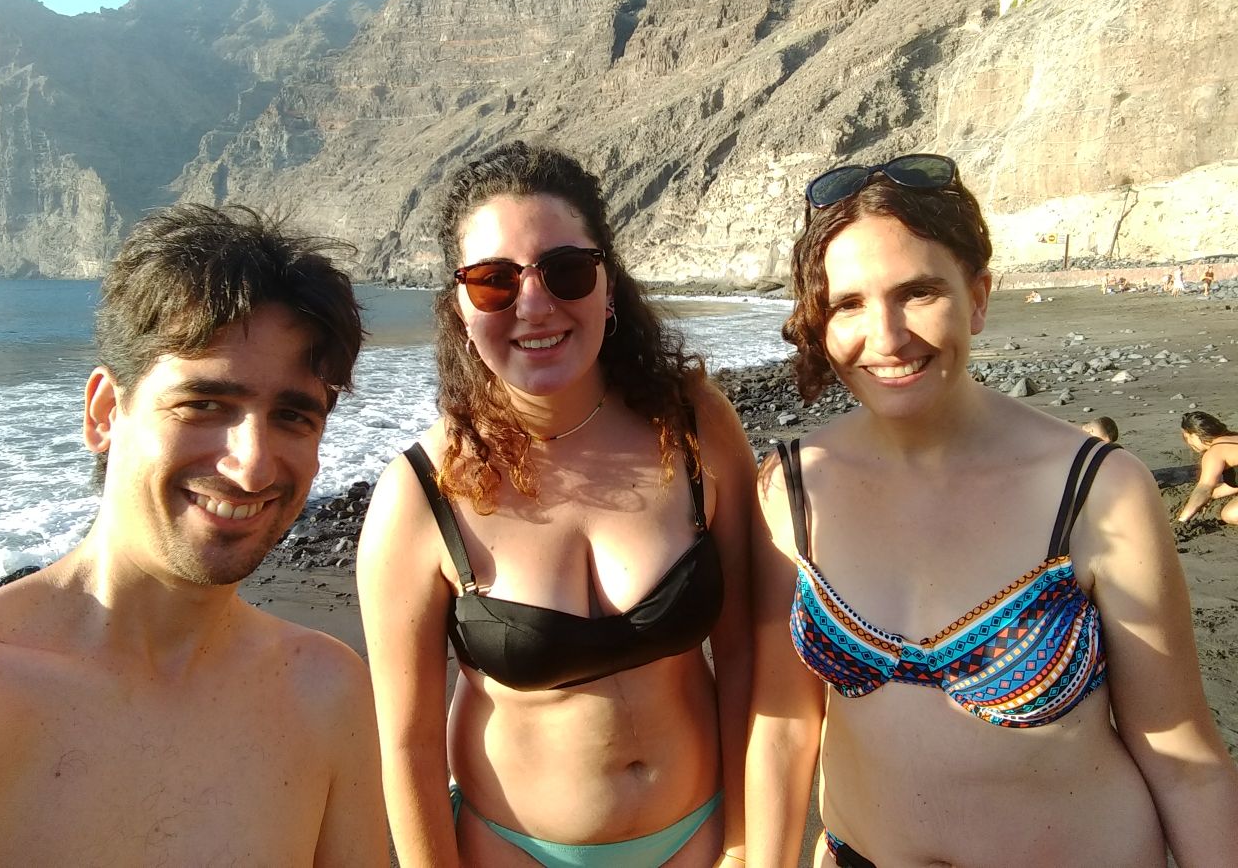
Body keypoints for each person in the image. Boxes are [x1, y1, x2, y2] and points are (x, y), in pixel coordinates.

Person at [745, 153, 1238, 866]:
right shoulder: (791, 489)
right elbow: (784, 729)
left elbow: (1185, 760)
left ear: (976, 297)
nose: (886, 337)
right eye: (848, 303)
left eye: (918, 292)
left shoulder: (1098, 491)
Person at [0, 204, 387, 866]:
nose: (252, 465)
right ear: (104, 412)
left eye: (293, 416)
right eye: (204, 404)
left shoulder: (325, 692)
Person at [357, 141, 754, 867]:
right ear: (460, 308)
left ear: (608, 285)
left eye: (566, 270)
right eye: (493, 282)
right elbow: (407, 746)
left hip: (701, 837)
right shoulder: (420, 492)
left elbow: (747, 655)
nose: (534, 305)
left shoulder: (692, 424)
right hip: (511, 850)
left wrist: (747, 846)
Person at [1177, 410, 1238, 525]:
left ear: (1194, 434)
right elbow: (1235, 483)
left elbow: (1204, 488)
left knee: (1229, 514)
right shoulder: (1233, 437)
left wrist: (1182, 520)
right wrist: (1214, 495)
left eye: (1186, 437)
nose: (1189, 444)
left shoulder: (1215, 451)